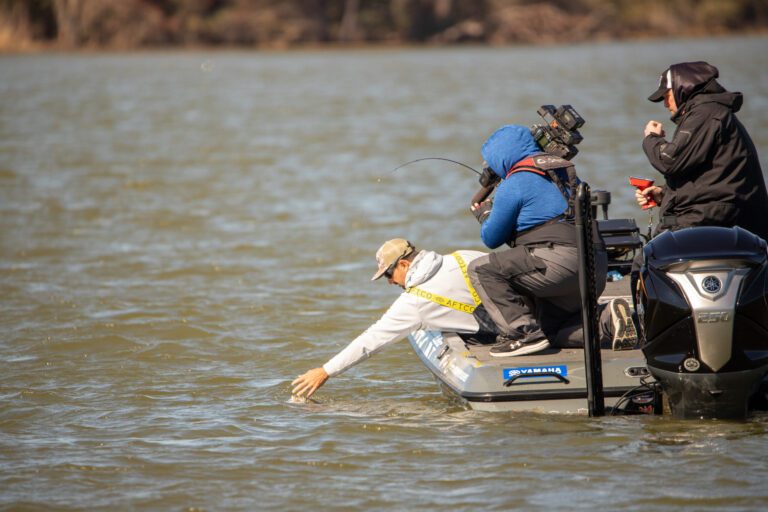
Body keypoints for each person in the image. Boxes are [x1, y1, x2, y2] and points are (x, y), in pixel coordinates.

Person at [292, 237, 636, 399]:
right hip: (545, 300)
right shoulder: (462, 255)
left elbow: (372, 339)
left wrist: (325, 371)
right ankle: (608, 318)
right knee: (558, 325)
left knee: (559, 337)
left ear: (405, 265)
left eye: (388, 275)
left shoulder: (414, 302)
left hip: (524, 328)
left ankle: (605, 324)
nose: (389, 282)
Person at [466, 124, 636, 358]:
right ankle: (608, 321)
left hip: (560, 266)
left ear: (501, 157)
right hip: (595, 268)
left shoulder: (515, 182)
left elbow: (491, 238)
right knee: (551, 331)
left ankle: (523, 334)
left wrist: (485, 215)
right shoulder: (566, 173)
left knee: (481, 269)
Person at [637, 61, 768, 241]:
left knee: (648, 260)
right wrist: (662, 194)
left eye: (666, 95)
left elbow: (669, 161)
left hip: (713, 219)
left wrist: (651, 138)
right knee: (649, 254)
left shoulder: (705, 114)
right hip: (716, 214)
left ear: (682, 89)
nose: (665, 103)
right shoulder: (709, 112)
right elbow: (709, 177)